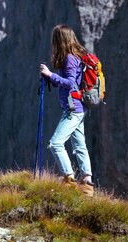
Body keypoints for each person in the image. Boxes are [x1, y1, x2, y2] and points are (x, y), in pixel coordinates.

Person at [40, 23, 94, 195]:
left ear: (59, 40)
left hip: (73, 109)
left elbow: (70, 83)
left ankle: (68, 179)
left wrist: (50, 75)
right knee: (79, 145)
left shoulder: (70, 58)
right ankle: (86, 182)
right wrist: (53, 78)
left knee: (55, 143)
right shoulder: (74, 57)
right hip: (76, 107)